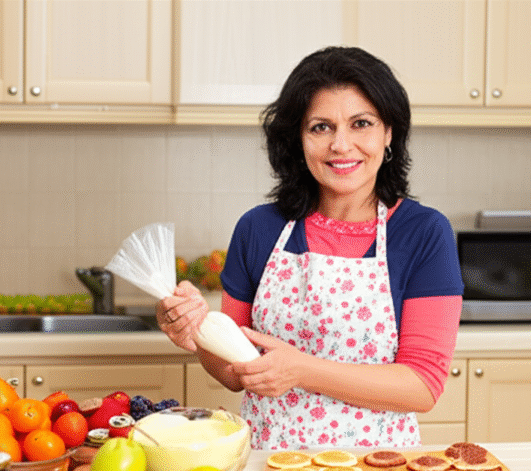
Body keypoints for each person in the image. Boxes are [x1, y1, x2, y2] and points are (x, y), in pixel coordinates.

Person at [157, 46, 464, 449]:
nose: (341, 144)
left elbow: (421, 386)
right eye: (321, 127)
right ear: (298, 139)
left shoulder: (423, 233)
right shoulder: (258, 229)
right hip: (270, 465)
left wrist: (302, 370)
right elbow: (235, 374)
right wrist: (197, 332)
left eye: (361, 123)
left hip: (375, 468)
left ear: (389, 133)